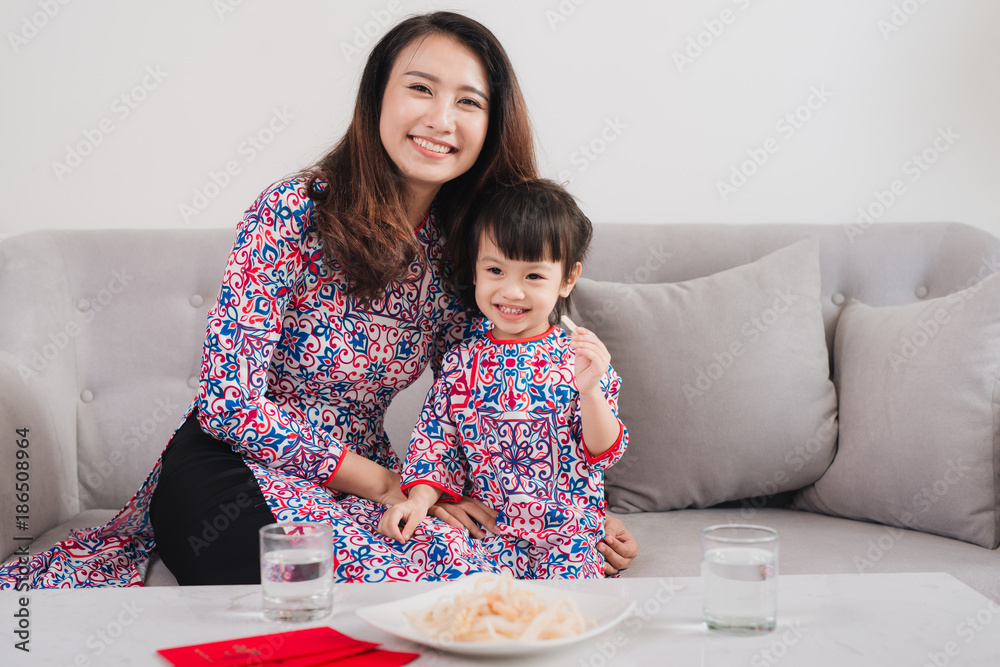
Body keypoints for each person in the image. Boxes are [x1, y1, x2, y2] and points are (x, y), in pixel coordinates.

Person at [0, 12, 635, 589]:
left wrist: (563, 518)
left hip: (367, 484)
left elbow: (496, 395)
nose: (442, 118)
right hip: (234, 467)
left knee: (464, 568)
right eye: (420, 88)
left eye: (468, 101)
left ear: (491, 122)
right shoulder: (293, 212)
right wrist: (383, 483)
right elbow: (227, 405)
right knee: (292, 571)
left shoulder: (476, 252)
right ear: (377, 97)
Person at [378, 180, 627, 578]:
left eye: (533, 277)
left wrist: (590, 391)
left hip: (567, 534)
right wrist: (418, 502)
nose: (511, 291)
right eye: (495, 270)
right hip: (487, 532)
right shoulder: (461, 362)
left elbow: (603, 450)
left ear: (567, 279)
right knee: (421, 554)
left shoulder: (580, 360)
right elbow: (436, 443)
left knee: (570, 593)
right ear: (475, 270)